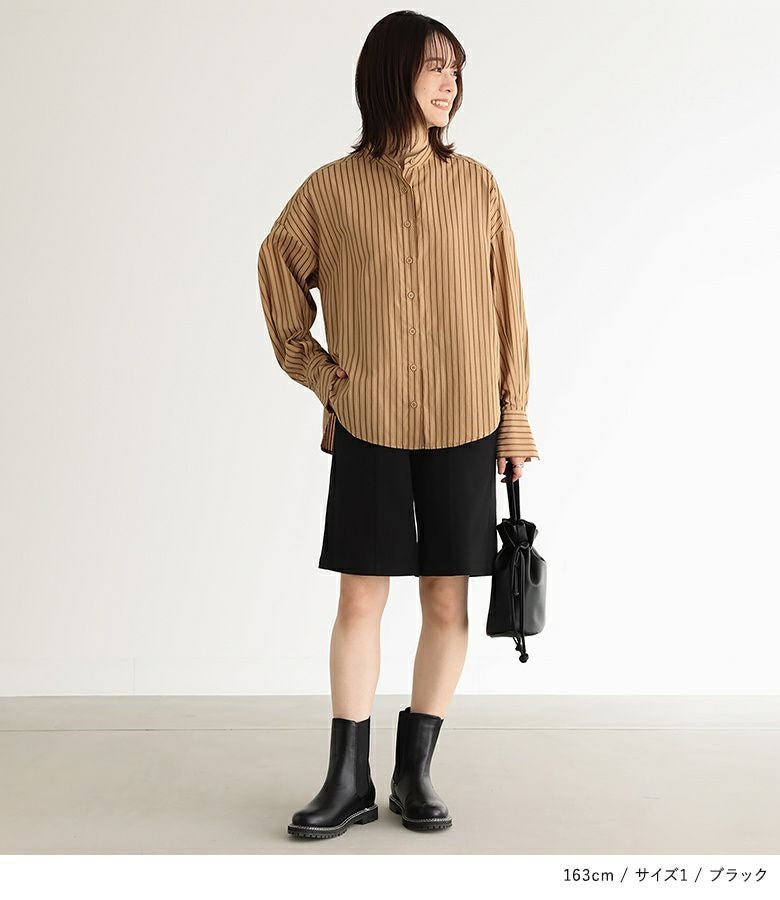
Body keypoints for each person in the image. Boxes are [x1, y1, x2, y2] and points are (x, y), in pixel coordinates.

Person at [257, 11, 540, 839]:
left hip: (466, 420)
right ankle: (347, 780)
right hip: (370, 419)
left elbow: (509, 310)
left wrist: (515, 418)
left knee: (446, 600)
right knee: (360, 598)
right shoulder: (329, 192)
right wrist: (322, 376)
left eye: (456, 70)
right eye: (435, 67)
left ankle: (415, 774)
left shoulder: (478, 186)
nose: (451, 84)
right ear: (391, 76)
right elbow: (276, 268)